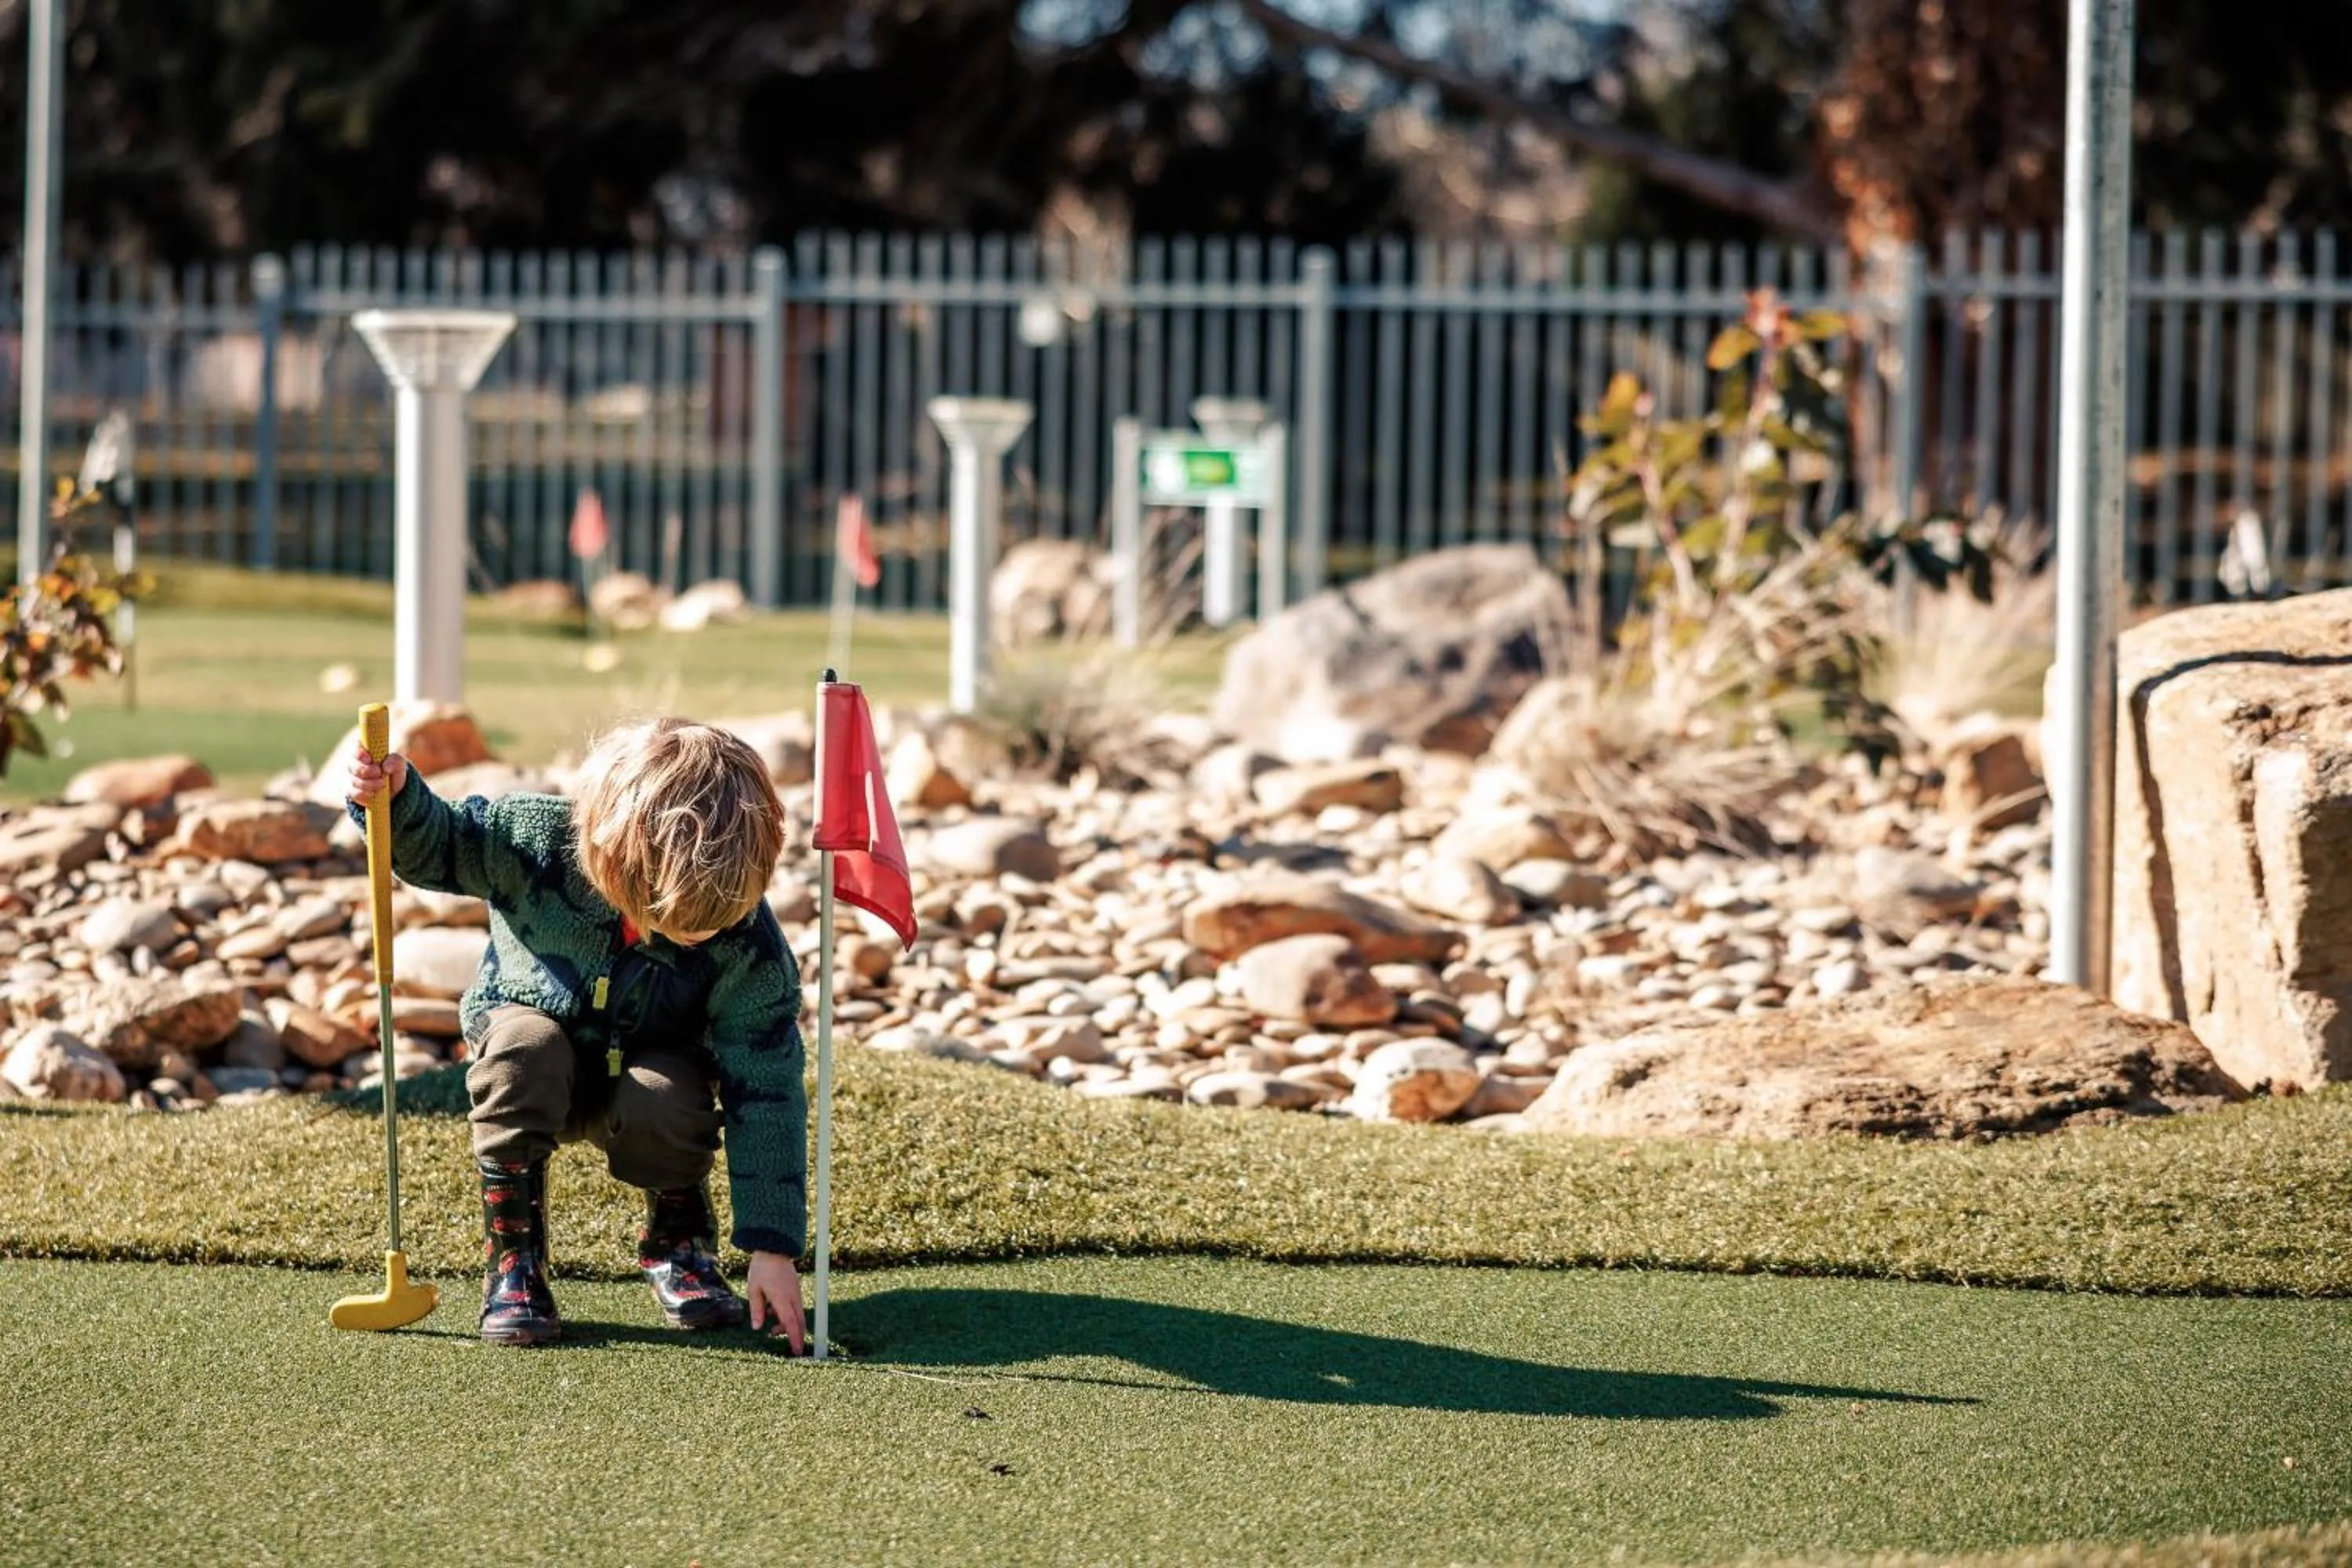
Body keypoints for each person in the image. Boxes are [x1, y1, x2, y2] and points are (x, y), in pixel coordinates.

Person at [345, 717, 808, 1353]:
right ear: (614, 859)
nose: (705, 934)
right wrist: (397, 803)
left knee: (668, 1095)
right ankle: (515, 1260)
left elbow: (768, 1087)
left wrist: (772, 1248)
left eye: (721, 918)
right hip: (535, 1058)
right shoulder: (534, 838)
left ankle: (678, 1244)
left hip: (648, 1074)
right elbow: (441, 844)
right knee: (523, 1049)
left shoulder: (749, 942)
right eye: (680, 921)